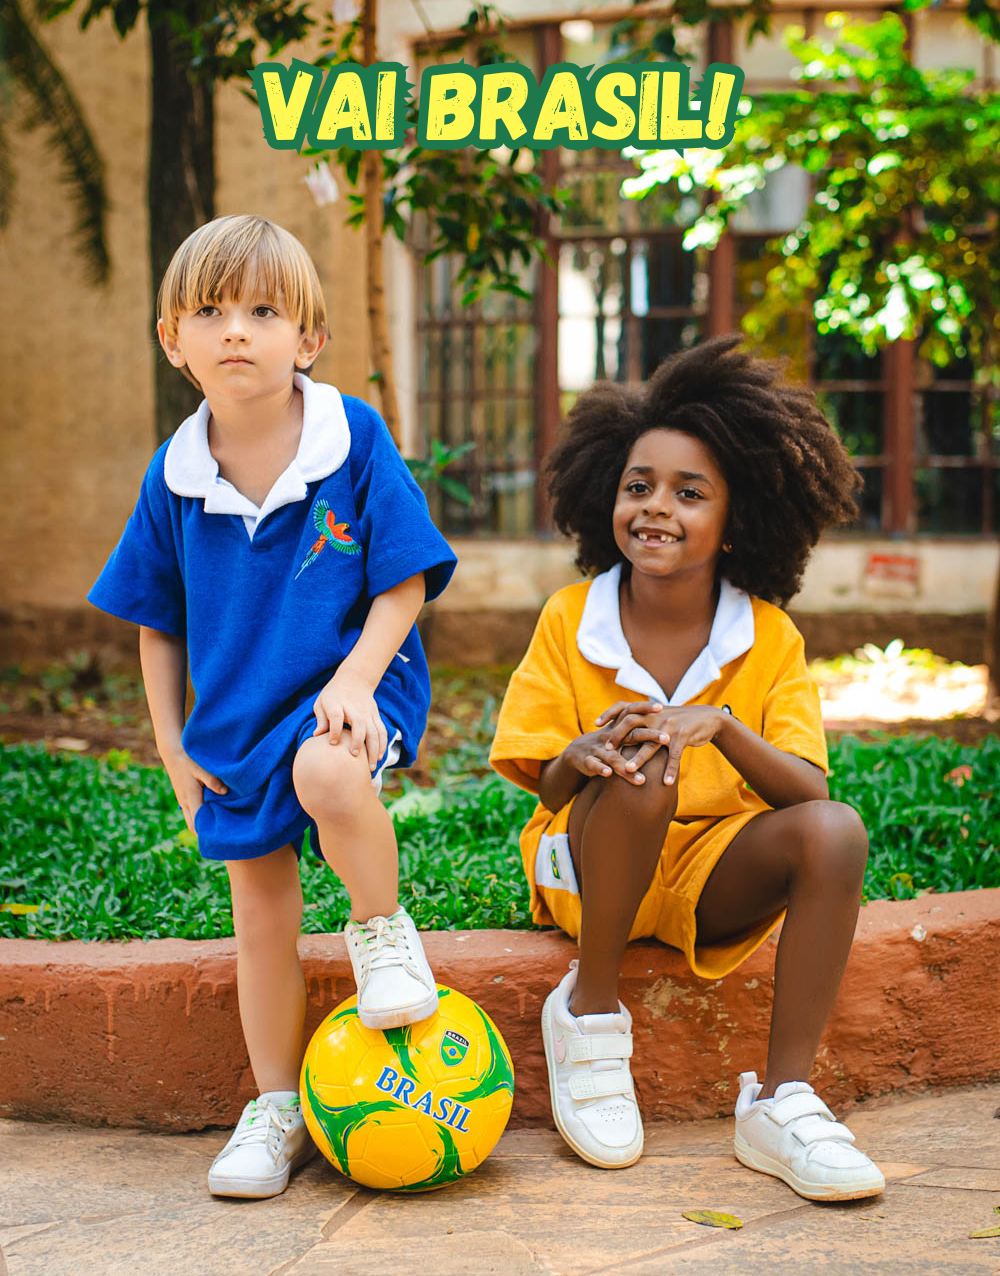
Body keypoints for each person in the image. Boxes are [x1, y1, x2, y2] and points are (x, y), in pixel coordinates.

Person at [89, 214, 456, 1199]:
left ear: (309, 338)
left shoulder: (352, 437)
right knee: (259, 912)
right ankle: (276, 1106)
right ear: (173, 341)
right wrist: (173, 747)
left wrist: (356, 679)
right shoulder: (173, 477)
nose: (236, 330)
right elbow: (157, 623)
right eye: (210, 311)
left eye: (262, 310)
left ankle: (380, 928)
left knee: (328, 769)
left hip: (353, 677)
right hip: (234, 715)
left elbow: (404, 579)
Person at [489, 336, 884, 1202]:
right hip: (593, 867)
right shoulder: (570, 618)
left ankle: (781, 1102)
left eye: (689, 492)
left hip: (709, 875)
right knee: (645, 763)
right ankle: (590, 1012)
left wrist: (723, 727)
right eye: (639, 486)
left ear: (737, 520)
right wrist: (577, 756)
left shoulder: (768, 636)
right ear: (607, 494)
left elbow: (809, 793)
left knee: (835, 831)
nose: (656, 508)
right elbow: (543, 784)